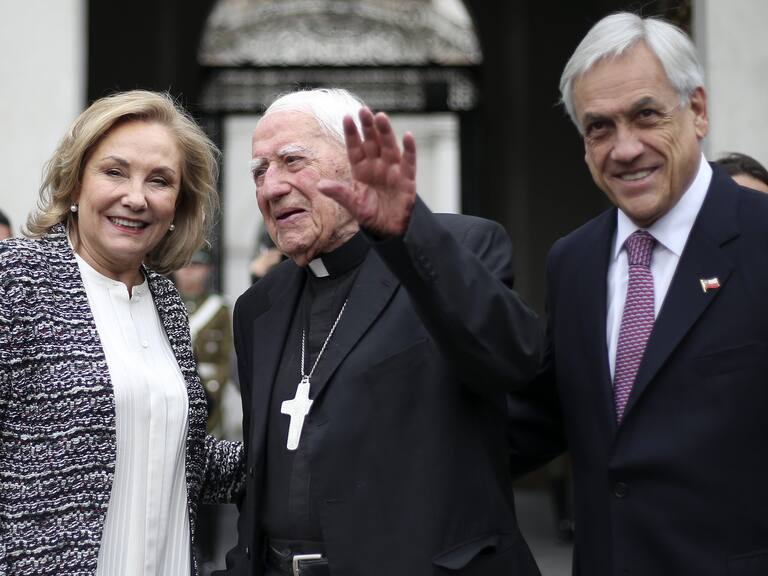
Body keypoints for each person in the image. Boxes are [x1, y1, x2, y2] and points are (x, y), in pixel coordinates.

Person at [219, 88, 542, 576]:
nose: (271, 187)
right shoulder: (258, 305)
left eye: (292, 161)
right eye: (259, 171)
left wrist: (407, 231)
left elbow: (513, 359)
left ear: (357, 163)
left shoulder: (457, 248)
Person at [509, 12, 768, 575]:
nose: (624, 149)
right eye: (599, 127)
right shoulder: (573, 262)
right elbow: (545, 417)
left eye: (646, 115)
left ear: (697, 111)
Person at [0, 90, 245, 575]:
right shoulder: (15, 281)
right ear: (74, 184)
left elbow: (182, 456)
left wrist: (298, 450)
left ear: (179, 205)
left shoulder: (168, 304)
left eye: (160, 180)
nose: (135, 197)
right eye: (114, 171)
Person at [174, 247, 234, 437]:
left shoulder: (219, 309)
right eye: (183, 265)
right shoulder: (164, 305)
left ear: (207, 269)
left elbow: (226, 359)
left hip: (209, 396)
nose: (189, 271)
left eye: (196, 265)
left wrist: (211, 392)